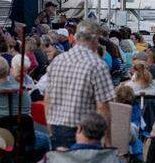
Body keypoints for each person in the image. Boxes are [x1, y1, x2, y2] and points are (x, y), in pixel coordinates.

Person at [43, 20, 114, 149]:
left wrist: (50, 127)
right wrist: (108, 139)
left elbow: (47, 99)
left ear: (76, 38)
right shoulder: (97, 65)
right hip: (86, 132)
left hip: (57, 128)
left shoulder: (57, 61)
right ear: (96, 39)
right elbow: (103, 107)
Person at [22, 112, 124, 163]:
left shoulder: (57, 159)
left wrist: (48, 157)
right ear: (103, 133)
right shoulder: (113, 160)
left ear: (79, 129)